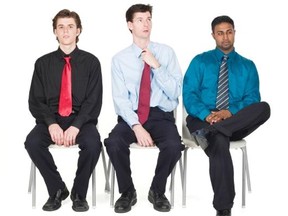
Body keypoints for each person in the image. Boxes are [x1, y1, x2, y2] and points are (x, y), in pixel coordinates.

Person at [183, 15, 270, 216]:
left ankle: (212, 131)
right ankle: (224, 209)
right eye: (220, 33)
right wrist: (207, 115)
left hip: (233, 120)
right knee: (220, 141)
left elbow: (252, 98)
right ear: (213, 35)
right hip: (201, 118)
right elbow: (189, 94)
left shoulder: (247, 66)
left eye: (229, 32)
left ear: (235, 33)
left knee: (264, 107)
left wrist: (228, 113)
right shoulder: (200, 61)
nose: (225, 37)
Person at [104, 4, 184, 213]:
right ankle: (127, 192)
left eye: (148, 19)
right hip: (132, 116)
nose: (146, 23)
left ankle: (157, 191)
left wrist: (156, 66)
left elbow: (176, 91)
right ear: (130, 25)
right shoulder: (119, 60)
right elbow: (120, 100)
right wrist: (136, 126)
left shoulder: (166, 53)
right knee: (113, 143)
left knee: (174, 145)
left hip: (161, 115)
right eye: (140, 20)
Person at [24, 9, 103, 212]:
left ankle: (79, 193)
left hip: (81, 120)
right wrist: (51, 124)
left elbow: (93, 101)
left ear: (78, 30)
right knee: (32, 142)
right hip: (51, 119)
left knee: (93, 144)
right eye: (61, 27)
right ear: (55, 32)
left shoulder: (92, 63)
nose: (65, 31)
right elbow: (36, 101)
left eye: (70, 26)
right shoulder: (42, 64)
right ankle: (57, 189)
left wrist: (76, 126)